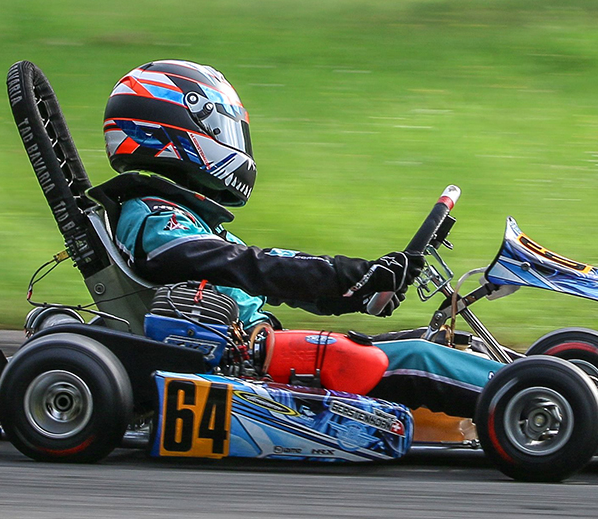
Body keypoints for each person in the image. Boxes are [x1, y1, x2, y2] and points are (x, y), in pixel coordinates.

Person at [103, 60, 497, 418]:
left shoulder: (180, 215)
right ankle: (532, 393)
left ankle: (533, 378)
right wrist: (347, 276)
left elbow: (262, 270)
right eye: (222, 128)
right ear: (173, 131)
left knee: (430, 341)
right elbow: (250, 267)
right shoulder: (154, 218)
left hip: (259, 354)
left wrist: (358, 287)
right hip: (244, 368)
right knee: (417, 359)